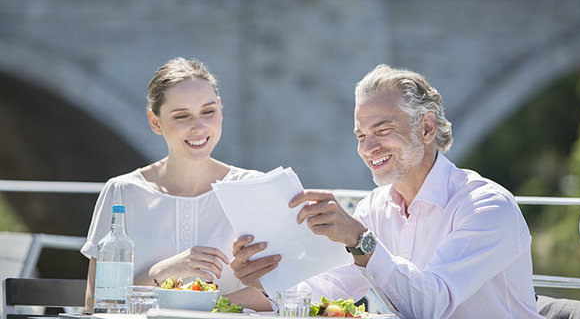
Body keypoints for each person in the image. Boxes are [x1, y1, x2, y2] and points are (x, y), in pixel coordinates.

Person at [230, 64, 543, 318]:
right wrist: (267, 282)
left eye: (382, 130)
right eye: (360, 135)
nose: (368, 148)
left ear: (427, 128)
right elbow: (334, 287)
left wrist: (359, 241)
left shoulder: (487, 207)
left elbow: (429, 308)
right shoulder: (375, 207)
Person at [81, 58, 272, 312]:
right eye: (182, 116)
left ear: (221, 112)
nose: (199, 127)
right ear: (155, 122)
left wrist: (201, 309)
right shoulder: (122, 192)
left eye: (208, 111)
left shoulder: (254, 188)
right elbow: (96, 305)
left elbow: (282, 294)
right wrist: (161, 272)